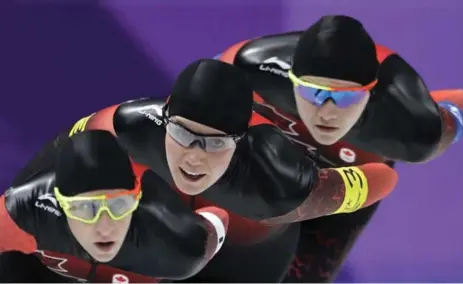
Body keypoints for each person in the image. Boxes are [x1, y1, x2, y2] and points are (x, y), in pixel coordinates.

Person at [10, 59, 398, 282]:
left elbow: (379, 179)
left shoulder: (275, 180)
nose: (194, 157)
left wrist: (378, 171)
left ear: (240, 140)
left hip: (248, 250)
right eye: (182, 134)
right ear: (164, 120)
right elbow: (40, 179)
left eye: (214, 142)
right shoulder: (122, 126)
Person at [215, 15, 463, 282]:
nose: (327, 113)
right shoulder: (245, 67)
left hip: (350, 172)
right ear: (292, 80)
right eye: (314, 93)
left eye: (345, 98)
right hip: (275, 156)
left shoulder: (412, 129)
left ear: (369, 94)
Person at [0, 130, 229, 282]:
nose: (105, 228)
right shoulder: (22, 212)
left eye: (120, 205)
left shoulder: (182, 244)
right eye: (85, 208)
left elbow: (221, 217)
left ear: (136, 198)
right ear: (60, 205)